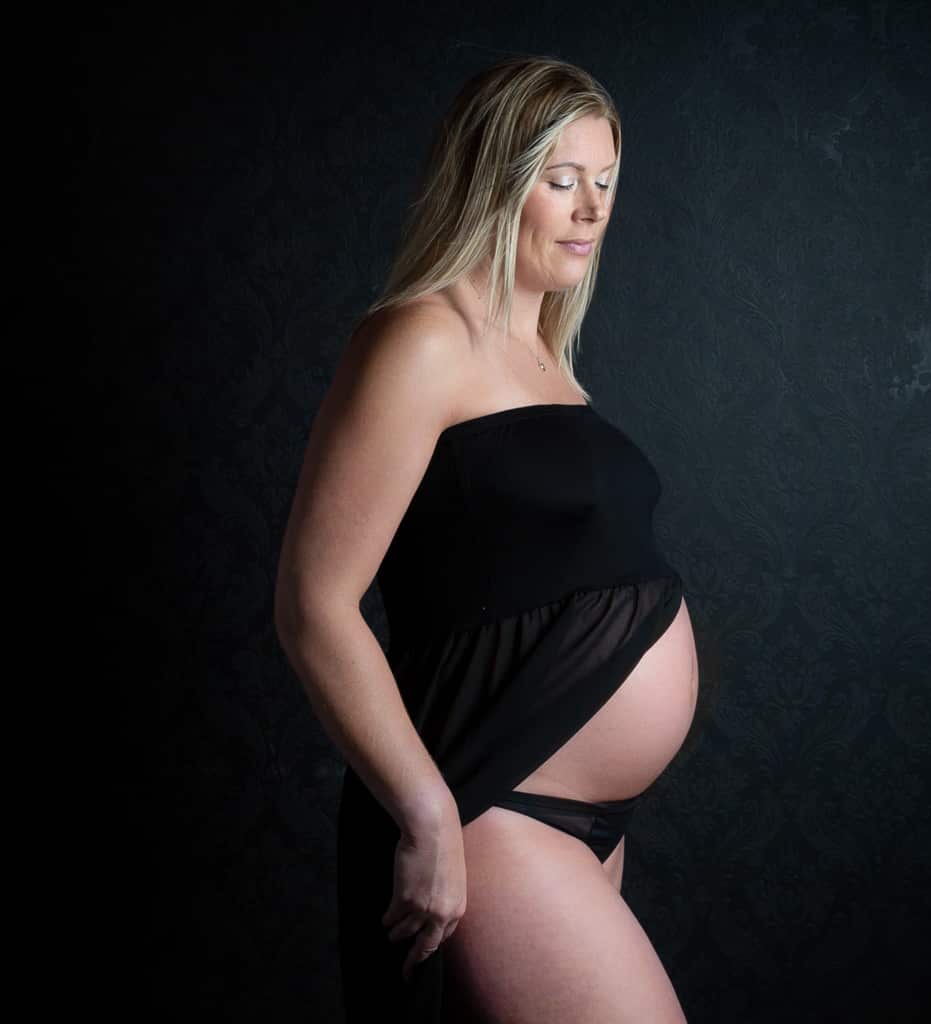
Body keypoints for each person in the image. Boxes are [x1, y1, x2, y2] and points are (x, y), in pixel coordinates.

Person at [274, 54, 699, 1023]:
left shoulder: (547, 358)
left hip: (575, 816)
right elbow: (313, 604)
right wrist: (425, 810)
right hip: (491, 804)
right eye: (561, 181)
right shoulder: (423, 339)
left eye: (604, 183)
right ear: (493, 181)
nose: (591, 209)